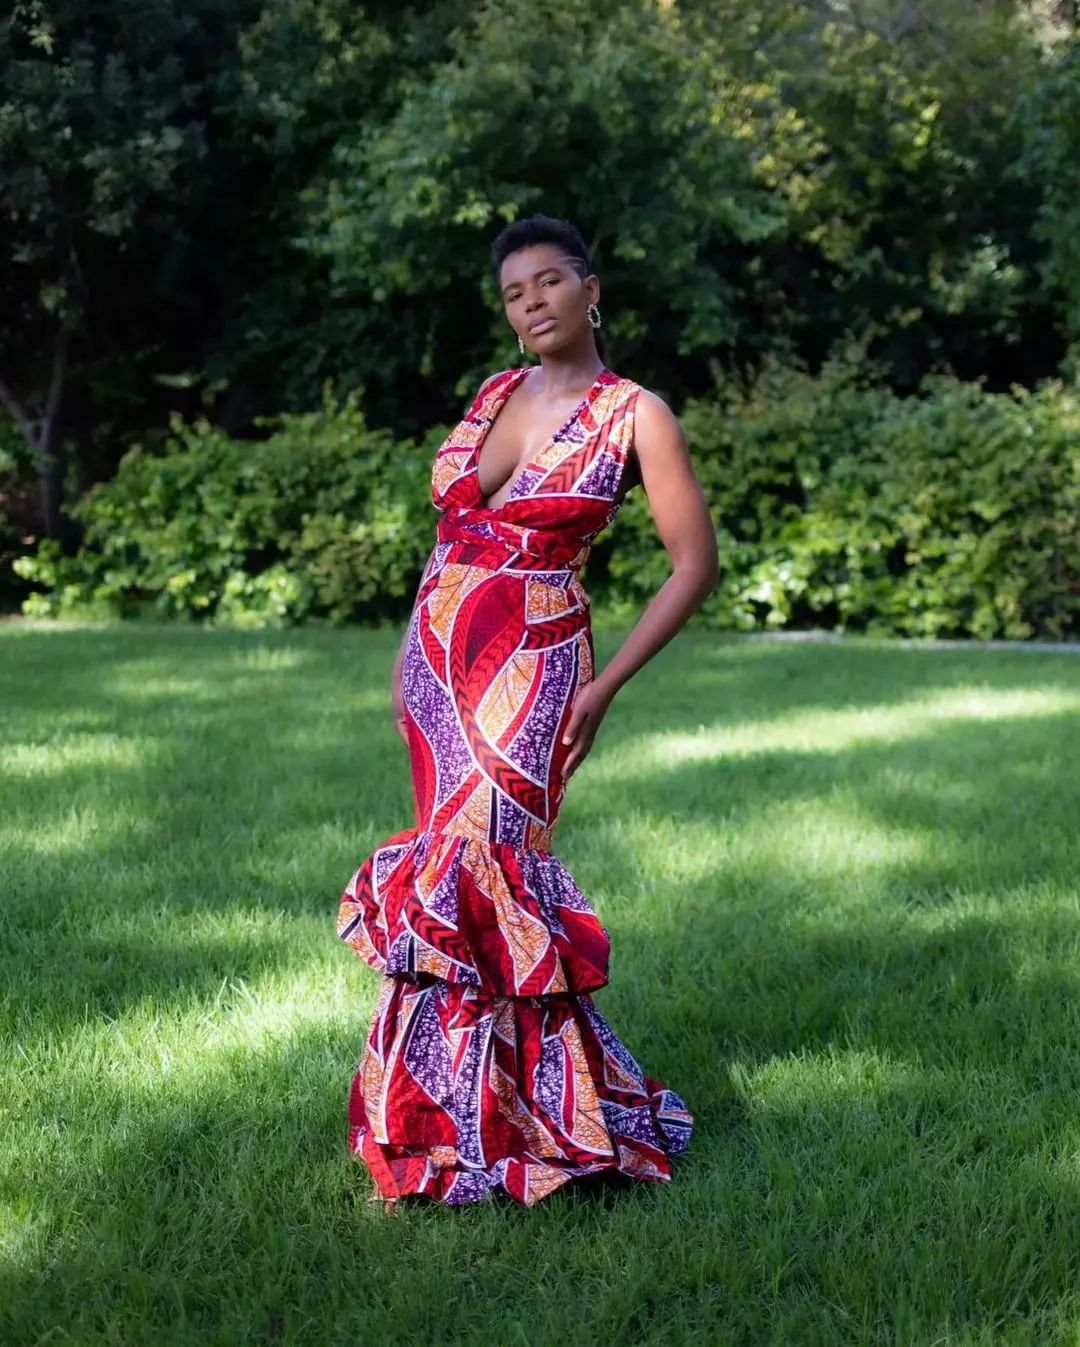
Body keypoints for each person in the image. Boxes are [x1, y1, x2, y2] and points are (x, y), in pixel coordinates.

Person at [337, 213, 719, 1208]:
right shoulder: (494, 394)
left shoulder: (635, 413)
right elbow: (450, 539)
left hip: (534, 658)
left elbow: (695, 565)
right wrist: (406, 652)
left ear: (591, 290)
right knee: (445, 872)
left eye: (549, 280)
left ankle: (528, 1122)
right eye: (514, 292)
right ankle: (436, 1116)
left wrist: (604, 684)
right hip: (439, 660)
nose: (533, 301)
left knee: (492, 871)